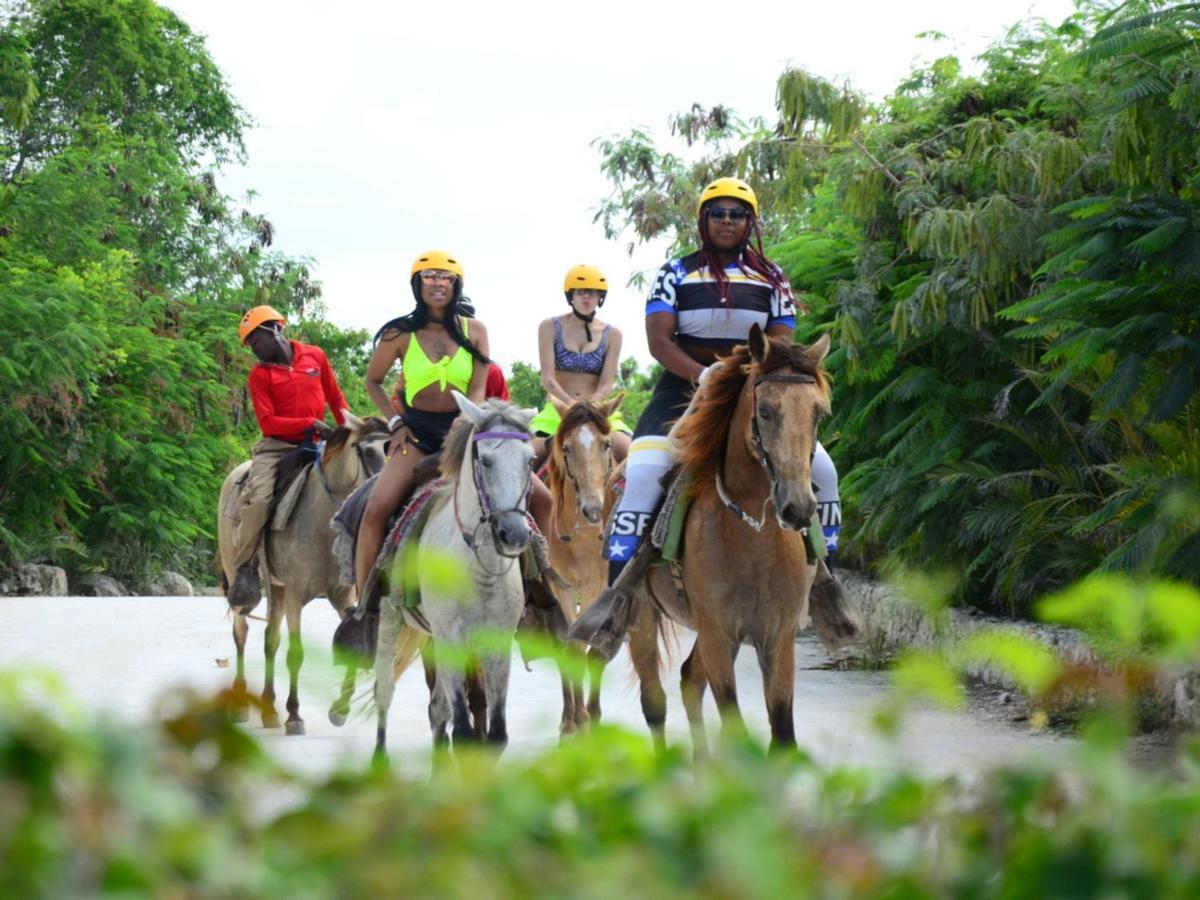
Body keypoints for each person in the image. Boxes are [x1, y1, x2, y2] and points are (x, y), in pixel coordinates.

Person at [570, 177, 843, 645]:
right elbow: (659, 340)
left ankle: (828, 587)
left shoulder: (772, 277)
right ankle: (616, 601)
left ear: (750, 222)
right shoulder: (674, 272)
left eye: (737, 214)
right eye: (718, 213)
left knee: (824, 469)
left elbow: (780, 342)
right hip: (681, 389)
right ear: (703, 220)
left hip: (756, 394)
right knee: (642, 472)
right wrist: (702, 374)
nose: (727, 221)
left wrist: (746, 378)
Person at [354, 250, 493, 597]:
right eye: (429, 276)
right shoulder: (398, 334)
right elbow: (373, 381)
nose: (437, 283)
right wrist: (396, 422)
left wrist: (466, 424)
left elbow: (478, 388)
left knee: (537, 498)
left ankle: (538, 598)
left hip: (462, 431)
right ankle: (366, 605)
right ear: (417, 284)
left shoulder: (475, 331)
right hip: (416, 435)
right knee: (375, 509)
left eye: (445, 277)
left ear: (457, 284)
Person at [230, 305, 349, 605]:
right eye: (250, 345)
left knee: (357, 483)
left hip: (320, 443)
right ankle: (246, 569)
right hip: (277, 447)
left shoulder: (315, 356)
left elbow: (335, 397)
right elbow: (267, 422)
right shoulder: (259, 375)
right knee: (259, 498)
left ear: (274, 330)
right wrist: (309, 423)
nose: (254, 349)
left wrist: (349, 431)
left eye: (256, 340)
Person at [529, 264, 631, 463]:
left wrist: (592, 406)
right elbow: (548, 378)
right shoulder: (549, 327)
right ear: (571, 296)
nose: (587, 298)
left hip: (597, 411)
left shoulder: (613, 334)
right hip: (557, 411)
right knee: (526, 458)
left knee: (630, 453)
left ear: (600, 297)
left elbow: (606, 383)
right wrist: (571, 405)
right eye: (581, 292)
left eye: (593, 293)